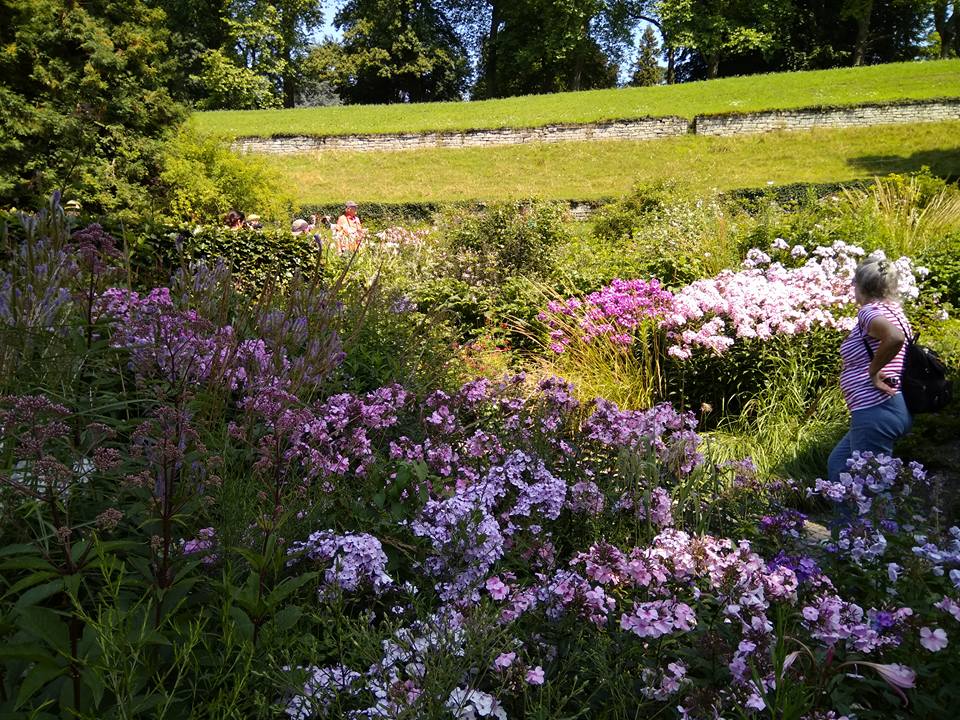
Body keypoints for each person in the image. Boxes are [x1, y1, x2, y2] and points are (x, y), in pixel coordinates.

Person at [827, 256, 912, 484]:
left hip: (875, 409)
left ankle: (874, 521)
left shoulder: (869, 312)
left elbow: (894, 338)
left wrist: (873, 371)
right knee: (839, 464)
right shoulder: (895, 312)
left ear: (860, 286)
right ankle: (845, 521)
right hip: (886, 409)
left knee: (870, 487)